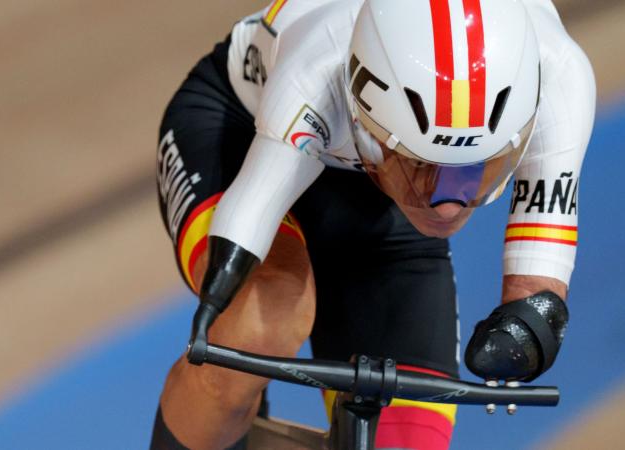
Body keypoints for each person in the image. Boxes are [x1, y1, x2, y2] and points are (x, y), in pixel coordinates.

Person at [151, 0, 595, 448]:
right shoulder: (320, 62)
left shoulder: (558, 74)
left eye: (470, 169)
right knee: (266, 322)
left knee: (408, 441)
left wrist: (522, 337)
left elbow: (538, 292)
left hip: (379, 201)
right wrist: (219, 318)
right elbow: (249, 215)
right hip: (238, 134)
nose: (445, 206)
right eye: (421, 165)